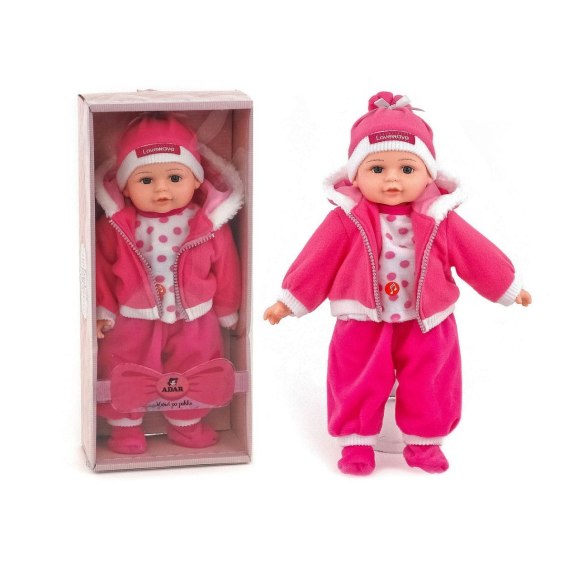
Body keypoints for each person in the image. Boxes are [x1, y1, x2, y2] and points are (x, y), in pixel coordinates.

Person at [264, 91, 531, 475]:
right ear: (355, 175)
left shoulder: (441, 218)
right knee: (356, 377)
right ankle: (356, 444)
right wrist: (289, 300)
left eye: (407, 169)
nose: (392, 179)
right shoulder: (347, 219)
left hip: (428, 320)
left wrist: (508, 286)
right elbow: (316, 260)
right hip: (363, 319)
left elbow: (477, 254)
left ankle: (424, 443)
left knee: (432, 378)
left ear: (429, 174)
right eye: (377, 169)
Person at [96, 113, 243, 454]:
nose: (161, 189)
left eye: (175, 177)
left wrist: (226, 309)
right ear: (125, 187)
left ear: (196, 181)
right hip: (133, 316)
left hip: (195, 316)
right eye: (145, 180)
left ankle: (186, 424)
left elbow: (227, 268)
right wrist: (104, 310)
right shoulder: (116, 226)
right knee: (124, 364)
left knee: (197, 364)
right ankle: (125, 427)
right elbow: (102, 268)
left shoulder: (208, 224)